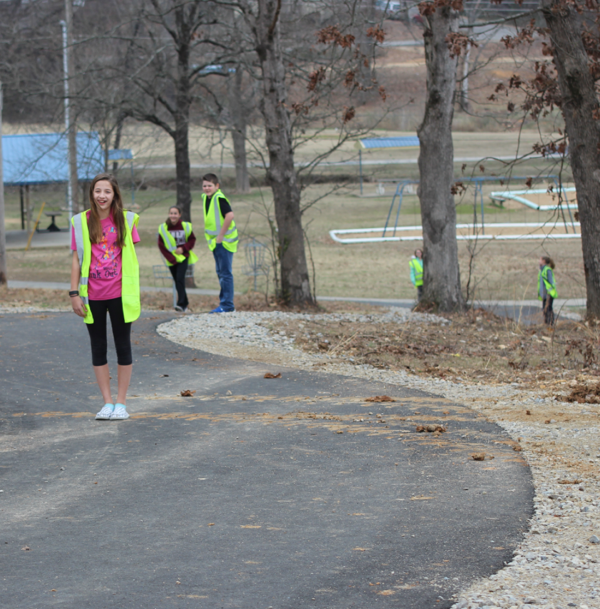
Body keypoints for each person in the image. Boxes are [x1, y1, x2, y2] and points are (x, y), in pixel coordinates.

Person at [70, 173, 141, 421]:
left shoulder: (127, 220)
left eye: (107, 191)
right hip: (93, 296)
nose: (102, 196)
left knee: (123, 346)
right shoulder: (80, 222)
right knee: (98, 347)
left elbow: (130, 257)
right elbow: (76, 260)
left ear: (114, 194)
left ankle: (121, 403)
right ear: (92, 194)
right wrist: (73, 293)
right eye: (98, 191)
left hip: (121, 294)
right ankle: (107, 403)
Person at [201, 173, 238, 313]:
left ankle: (227, 306)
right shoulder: (206, 198)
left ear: (217, 186)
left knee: (225, 274)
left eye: (209, 185)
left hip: (224, 241)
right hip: (215, 242)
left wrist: (221, 235)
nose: (206, 188)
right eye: (204, 186)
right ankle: (224, 303)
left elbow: (230, 215)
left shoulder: (219, 198)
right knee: (220, 273)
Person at [157, 206, 198, 312]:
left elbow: (192, 239)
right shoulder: (163, 228)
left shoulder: (185, 226)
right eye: (171, 213)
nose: (173, 215)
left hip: (183, 257)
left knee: (180, 279)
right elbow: (161, 245)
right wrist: (171, 258)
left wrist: (183, 248)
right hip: (171, 259)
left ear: (179, 215)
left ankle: (181, 304)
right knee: (177, 281)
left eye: (175, 213)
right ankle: (185, 303)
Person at [538, 256, 557, 326]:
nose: (538, 261)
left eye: (540, 260)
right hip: (544, 293)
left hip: (548, 293)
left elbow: (551, 282)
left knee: (548, 309)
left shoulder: (547, 270)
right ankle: (546, 323)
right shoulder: (542, 270)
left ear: (544, 261)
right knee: (544, 309)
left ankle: (550, 323)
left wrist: (549, 292)